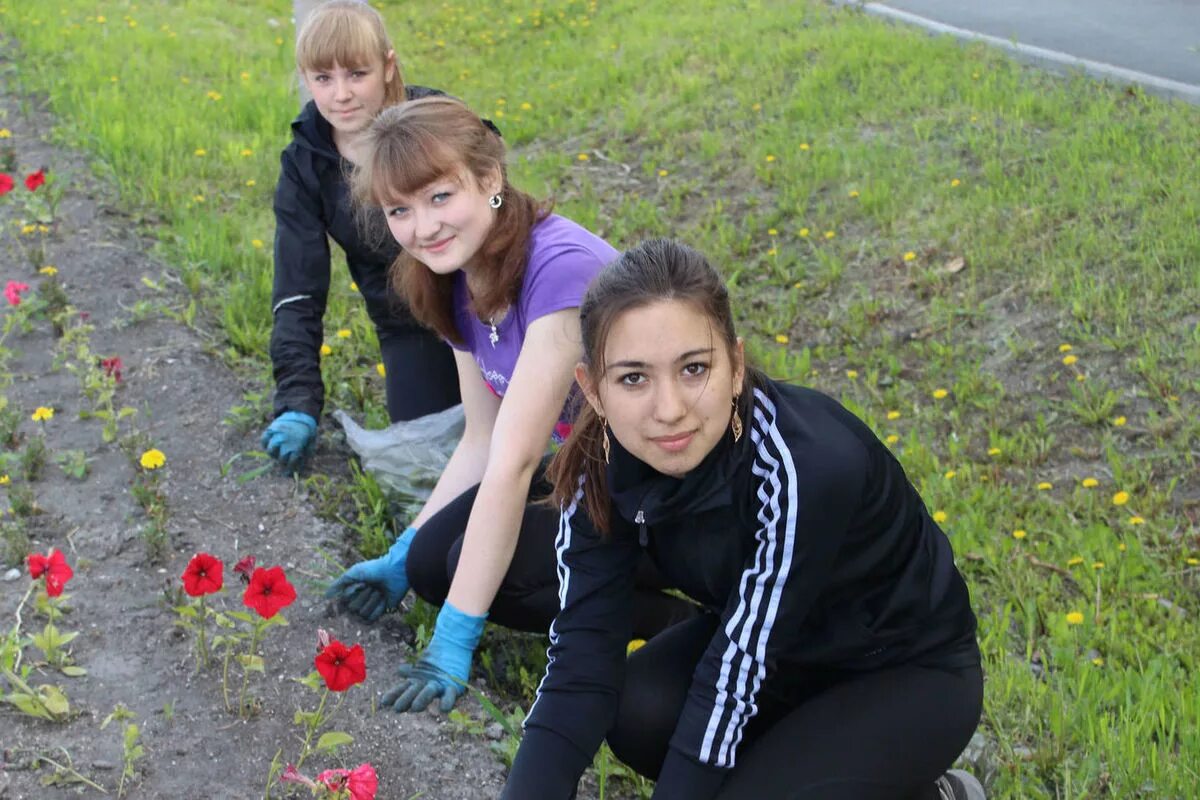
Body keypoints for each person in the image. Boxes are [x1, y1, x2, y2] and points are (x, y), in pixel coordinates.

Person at [501, 239, 987, 800]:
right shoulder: (599, 465)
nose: (669, 409)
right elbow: (580, 662)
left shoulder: (804, 465)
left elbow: (733, 681)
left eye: (694, 369)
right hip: (781, 654)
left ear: (735, 366)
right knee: (639, 712)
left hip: (901, 670)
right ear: (594, 390)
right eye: (633, 378)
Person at [325, 98, 696, 714]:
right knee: (427, 564)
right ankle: (634, 599)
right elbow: (481, 438)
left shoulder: (559, 273)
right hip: (597, 469)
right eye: (400, 210)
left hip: (670, 486)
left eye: (440, 197)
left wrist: (453, 637)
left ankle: (674, 622)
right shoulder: (452, 274)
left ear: (490, 179)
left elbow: (515, 463)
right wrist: (401, 548)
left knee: (502, 570)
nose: (423, 227)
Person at [262, 0, 460, 468]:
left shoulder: (439, 122)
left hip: (489, 307)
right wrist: (297, 401)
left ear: (388, 67)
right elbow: (298, 292)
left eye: (357, 73)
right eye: (323, 79)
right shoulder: (305, 167)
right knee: (424, 465)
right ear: (305, 79)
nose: (341, 95)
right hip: (409, 324)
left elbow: (500, 208)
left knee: (537, 448)